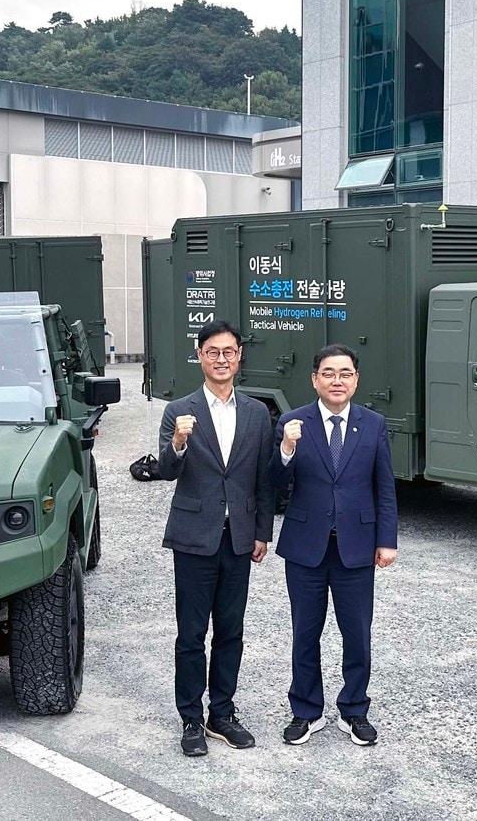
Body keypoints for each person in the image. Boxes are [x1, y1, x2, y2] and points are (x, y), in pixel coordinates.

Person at [270, 343, 397, 747]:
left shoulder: (373, 424)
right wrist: (286, 450)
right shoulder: (293, 422)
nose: (336, 380)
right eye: (328, 373)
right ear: (314, 379)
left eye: (345, 373)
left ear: (356, 380)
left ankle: (354, 709)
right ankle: (306, 712)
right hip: (306, 547)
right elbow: (273, 485)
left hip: (357, 547)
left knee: (357, 633)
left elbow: (385, 487)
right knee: (305, 633)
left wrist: (387, 539)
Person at [158, 320, 275, 757]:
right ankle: (190, 718)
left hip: (239, 537)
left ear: (239, 355)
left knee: (231, 630)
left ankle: (221, 713)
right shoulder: (179, 410)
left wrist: (262, 531)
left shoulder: (257, 412)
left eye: (228, 351)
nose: (221, 358)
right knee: (191, 632)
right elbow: (167, 471)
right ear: (200, 356)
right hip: (193, 536)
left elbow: (264, 477)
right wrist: (179, 441)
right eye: (212, 351)